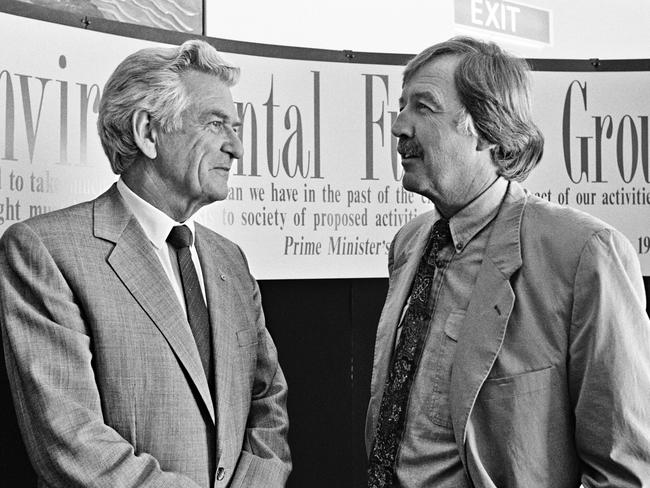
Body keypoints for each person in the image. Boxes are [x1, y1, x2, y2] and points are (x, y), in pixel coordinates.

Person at [0, 40, 291, 487]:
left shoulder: (229, 259)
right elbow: (70, 443)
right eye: (215, 124)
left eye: (235, 127)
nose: (236, 147)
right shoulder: (44, 251)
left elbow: (267, 403)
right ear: (147, 133)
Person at [365, 36, 650, 488]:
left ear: (486, 128)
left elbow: (625, 470)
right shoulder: (409, 242)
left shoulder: (584, 253)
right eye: (400, 107)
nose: (399, 125)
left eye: (423, 107)